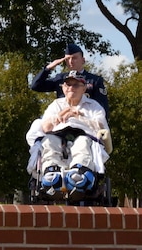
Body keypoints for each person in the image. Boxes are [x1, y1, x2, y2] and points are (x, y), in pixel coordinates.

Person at [31, 71, 111, 199]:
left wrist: (78, 115)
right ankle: (53, 176)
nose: (71, 88)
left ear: (84, 88)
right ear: (63, 87)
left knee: (82, 143)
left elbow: (101, 127)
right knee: (48, 141)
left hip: (84, 134)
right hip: (58, 135)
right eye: (68, 85)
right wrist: (63, 113)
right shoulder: (56, 105)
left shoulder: (94, 106)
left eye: (76, 85)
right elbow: (45, 127)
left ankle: (78, 177)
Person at [30, 43, 109, 118]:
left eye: (74, 58)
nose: (70, 61)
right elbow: (35, 86)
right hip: (62, 121)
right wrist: (48, 68)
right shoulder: (60, 78)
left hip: (85, 121)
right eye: (67, 59)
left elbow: (102, 108)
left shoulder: (94, 80)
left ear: (83, 60)